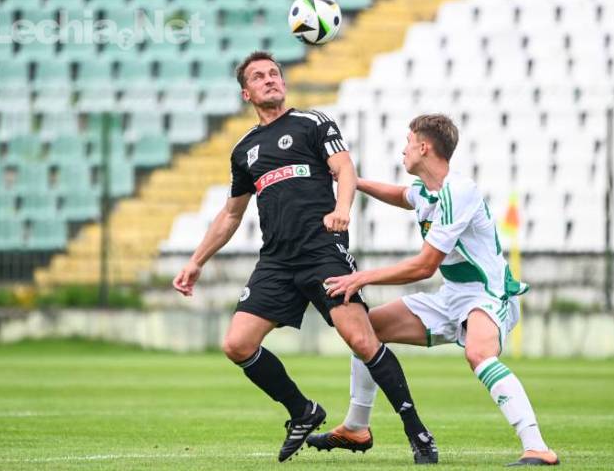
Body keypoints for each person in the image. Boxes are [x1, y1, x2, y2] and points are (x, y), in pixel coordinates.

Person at [172, 51, 438, 464]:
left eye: (274, 73)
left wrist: (342, 209)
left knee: (362, 340)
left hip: (322, 251)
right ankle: (302, 410)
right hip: (276, 262)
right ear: (246, 93)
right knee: (237, 344)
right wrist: (196, 261)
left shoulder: (312, 123)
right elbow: (231, 214)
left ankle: (417, 432)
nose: (269, 79)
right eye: (258, 76)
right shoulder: (244, 150)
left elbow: (345, 169)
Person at [306, 114, 560, 467]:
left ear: (424, 147)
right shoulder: (427, 190)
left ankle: (537, 447)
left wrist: (361, 277)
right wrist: (356, 182)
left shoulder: (459, 191)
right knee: (366, 330)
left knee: (479, 354)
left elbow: (424, 266)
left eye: (408, 143)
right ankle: (356, 427)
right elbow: (402, 195)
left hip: (488, 293)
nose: (403, 150)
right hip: (452, 295)